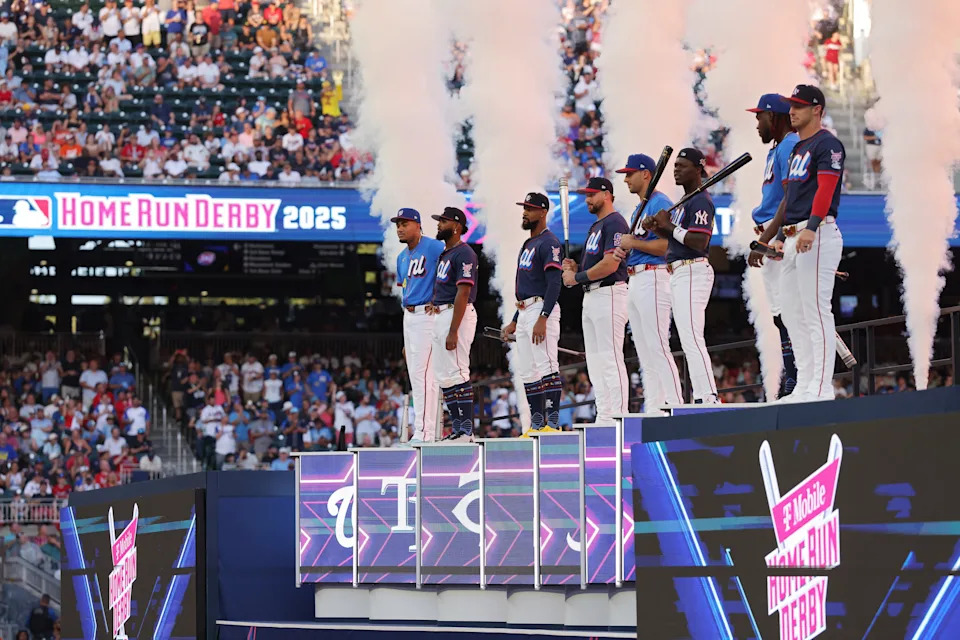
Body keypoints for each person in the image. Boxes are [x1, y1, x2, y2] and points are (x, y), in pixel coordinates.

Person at [755, 85, 845, 402]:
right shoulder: (796, 148)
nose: (792, 111)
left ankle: (821, 387)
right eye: (791, 106)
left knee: (815, 311)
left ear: (816, 109)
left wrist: (811, 225)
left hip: (816, 234)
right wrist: (779, 238)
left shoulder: (827, 143)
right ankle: (806, 384)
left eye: (799, 106)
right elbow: (790, 197)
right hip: (792, 237)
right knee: (792, 313)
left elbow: (826, 189)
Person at [642, 148, 719, 404]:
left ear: (698, 169)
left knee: (691, 336)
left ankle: (707, 396)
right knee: (687, 337)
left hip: (692, 268)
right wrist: (658, 228)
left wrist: (668, 227)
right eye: (674, 165)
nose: (675, 169)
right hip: (680, 270)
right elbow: (676, 238)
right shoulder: (686, 200)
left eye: (682, 165)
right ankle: (704, 394)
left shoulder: (700, 200)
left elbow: (698, 240)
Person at [614, 154, 683, 409]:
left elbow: (668, 245)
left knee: (657, 345)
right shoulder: (640, 207)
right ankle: (654, 406)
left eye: (629, 173)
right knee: (644, 349)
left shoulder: (660, 202)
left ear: (645, 174)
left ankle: (676, 405)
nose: (625, 179)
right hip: (637, 277)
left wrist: (634, 243)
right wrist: (627, 250)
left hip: (654, 276)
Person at [745, 94, 800, 398]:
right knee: (780, 314)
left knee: (786, 313)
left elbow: (791, 196)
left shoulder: (789, 144)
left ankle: (795, 378)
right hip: (772, 233)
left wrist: (771, 239)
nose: (757, 123)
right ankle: (793, 378)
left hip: (780, 236)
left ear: (775, 117)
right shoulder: (777, 149)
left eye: (760, 117)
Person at [562, 177, 629, 423]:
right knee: (595, 361)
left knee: (610, 358)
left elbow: (611, 264)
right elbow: (595, 263)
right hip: (592, 295)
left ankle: (619, 417)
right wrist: (576, 266)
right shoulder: (596, 226)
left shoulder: (615, 222)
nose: (587, 199)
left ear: (607, 195)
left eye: (591, 194)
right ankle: (604, 414)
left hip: (609, 292)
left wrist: (576, 277)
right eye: (586, 195)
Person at [500, 192, 564, 434]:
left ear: (543, 212)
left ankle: (552, 423)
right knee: (527, 370)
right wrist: (515, 321)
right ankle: (537, 423)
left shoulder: (549, 242)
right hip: (525, 308)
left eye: (530, 208)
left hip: (540, 308)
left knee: (547, 364)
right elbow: (525, 288)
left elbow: (554, 283)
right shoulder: (528, 243)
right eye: (524, 207)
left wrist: (543, 317)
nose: (525, 212)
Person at [393, 208, 444, 443]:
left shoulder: (433, 246)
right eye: (398, 224)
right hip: (409, 315)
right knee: (417, 376)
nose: (400, 228)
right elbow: (405, 288)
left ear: (417, 225)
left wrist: (441, 300)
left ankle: (425, 431)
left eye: (404, 223)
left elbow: (451, 271)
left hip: (427, 313)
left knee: (425, 376)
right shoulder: (401, 257)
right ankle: (425, 429)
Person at [429, 207, 478, 443]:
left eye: (444, 221)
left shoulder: (464, 253)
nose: (439, 224)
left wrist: (453, 330)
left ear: (456, 226)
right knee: (445, 376)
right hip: (442, 312)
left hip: (456, 314)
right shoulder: (446, 253)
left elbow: (463, 292)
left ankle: (466, 431)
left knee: (458, 371)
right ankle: (458, 428)